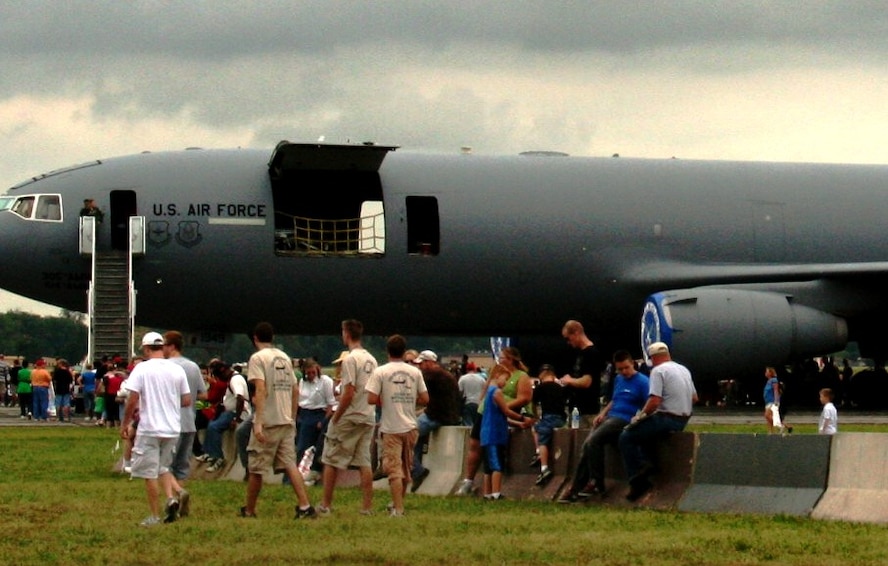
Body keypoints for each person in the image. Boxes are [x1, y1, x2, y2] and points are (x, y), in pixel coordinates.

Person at [241, 322, 316, 519]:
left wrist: (258, 421)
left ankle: (249, 510)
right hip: (285, 420)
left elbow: (260, 388)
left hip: (268, 420)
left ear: (255, 338)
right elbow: (295, 389)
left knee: (256, 467)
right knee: (290, 465)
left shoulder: (257, 358)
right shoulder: (284, 357)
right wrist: (291, 417)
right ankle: (305, 505)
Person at [121, 332, 191, 527]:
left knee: (148, 473)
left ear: (146, 348)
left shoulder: (141, 369)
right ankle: (171, 499)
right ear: (162, 346)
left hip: (150, 427)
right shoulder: (177, 370)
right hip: (172, 428)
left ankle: (154, 515)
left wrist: (125, 423)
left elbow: (132, 399)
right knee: (163, 467)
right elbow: (186, 400)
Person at [559, 351, 649, 502]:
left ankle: (596, 481)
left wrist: (639, 417)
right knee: (587, 445)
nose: (624, 372)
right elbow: (614, 399)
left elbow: (649, 402)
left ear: (632, 363)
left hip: (625, 418)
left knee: (593, 441)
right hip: (611, 416)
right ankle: (576, 487)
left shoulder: (643, 381)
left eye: (626, 368)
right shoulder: (619, 379)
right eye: (620, 369)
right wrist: (603, 413)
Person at [619, 342, 697, 502]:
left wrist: (639, 416)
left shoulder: (658, 371)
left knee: (626, 437)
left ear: (653, 358)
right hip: (683, 419)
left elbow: (654, 400)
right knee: (647, 433)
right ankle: (648, 463)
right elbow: (694, 398)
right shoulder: (683, 369)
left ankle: (637, 481)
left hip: (667, 418)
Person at [455, 347, 532, 496]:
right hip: (486, 413)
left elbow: (525, 397)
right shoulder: (496, 375)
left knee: (494, 456)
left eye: (503, 357)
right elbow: (485, 390)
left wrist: (505, 407)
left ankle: (492, 491)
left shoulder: (521, 376)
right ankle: (470, 481)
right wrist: (484, 403)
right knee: (476, 445)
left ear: (511, 359)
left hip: (499, 414)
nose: (500, 360)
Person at [319, 319, 378, 516]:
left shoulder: (350, 360)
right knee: (364, 461)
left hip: (350, 414)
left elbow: (348, 391)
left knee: (330, 458)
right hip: (368, 415)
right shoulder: (372, 359)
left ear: (346, 334)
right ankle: (366, 507)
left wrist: (336, 416)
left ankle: (326, 505)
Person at [366, 335, 429, 516]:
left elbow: (370, 398)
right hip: (411, 426)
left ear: (387, 351)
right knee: (406, 468)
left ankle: (398, 509)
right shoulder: (415, 372)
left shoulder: (381, 372)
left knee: (393, 470)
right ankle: (396, 503)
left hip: (391, 427)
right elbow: (425, 399)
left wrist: (386, 399)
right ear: (404, 351)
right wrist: (409, 400)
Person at [163, 330, 207, 516]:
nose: (162, 349)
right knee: (182, 466)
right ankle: (181, 503)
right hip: (189, 422)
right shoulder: (193, 366)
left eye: (164, 345)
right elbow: (203, 394)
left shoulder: (165, 367)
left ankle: (175, 498)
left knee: (165, 465)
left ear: (172, 346)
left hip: (170, 422)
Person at [480, 365, 534, 500]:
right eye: (505, 379)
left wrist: (518, 424)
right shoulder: (496, 392)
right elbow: (507, 411)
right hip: (495, 433)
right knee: (497, 464)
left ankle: (487, 493)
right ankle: (496, 493)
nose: (505, 383)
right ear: (498, 375)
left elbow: (501, 416)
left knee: (488, 467)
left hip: (486, 432)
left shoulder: (488, 394)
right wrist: (523, 418)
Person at [411, 349, 461, 492]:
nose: (419, 366)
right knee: (417, 440)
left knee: (407, 435)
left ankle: (417, 470)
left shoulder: (431, 375)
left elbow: (419, 394)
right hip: (449, 415)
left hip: (435, 416)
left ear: (430, 362)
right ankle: (416, 467)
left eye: (422, 363)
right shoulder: (446, 374)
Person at [202, 361, 250, 473]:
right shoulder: (232, 379)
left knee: (214, 427)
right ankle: (210, 452)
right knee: (210, 424)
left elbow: (240, 398)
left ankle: (219, 457)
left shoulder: (235, 380)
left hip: (235, 412)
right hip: (229, 410)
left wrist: (236, 418)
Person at [296, 359, 335, 485]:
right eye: (308, 373)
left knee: (318, 448)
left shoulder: (325, 382)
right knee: (301, 448)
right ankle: (298, 477)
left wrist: (323, 421)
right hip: (304, 414)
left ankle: (316, 477)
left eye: (313, 372)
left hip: (320, 413)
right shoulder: (303, 382)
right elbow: (300, 399)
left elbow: (331, 403)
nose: (311, 375)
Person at [560, 320, 606, 427]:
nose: (568, 342)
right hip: (576, 408)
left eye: (568, 338)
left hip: (587, 411)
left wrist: (569, 380)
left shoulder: (592, 353)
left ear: (576, 333)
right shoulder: (579, 353)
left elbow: (587, 382)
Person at [531, 365, 567, 486]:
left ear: (544, 373)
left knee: (542, 440)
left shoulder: (540, 388)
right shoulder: (560, 387)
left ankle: (544, 467)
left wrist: (536, 417)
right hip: (561, 419)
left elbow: (533, 404)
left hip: (548, 417)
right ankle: (537, 453)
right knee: (536, 429)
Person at [458, 362, 485, 426]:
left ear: (467, 370)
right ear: (475, 370)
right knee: (477, 425)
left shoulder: (463, 378)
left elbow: (460, 392)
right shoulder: (481, 379)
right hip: (479, 404)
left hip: (467, 403)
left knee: (468, 424)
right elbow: (484, 391)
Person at [763, 366, 783, 434]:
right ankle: (770, 431)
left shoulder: (774, 380)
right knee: (768, 418)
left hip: (772, 401)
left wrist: (776, 401)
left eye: (767, 371)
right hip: (768, 401)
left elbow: (775, 390)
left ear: (770, 373)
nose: (765, 373)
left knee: (767, 415)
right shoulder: (768, 381)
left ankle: (779, 426)